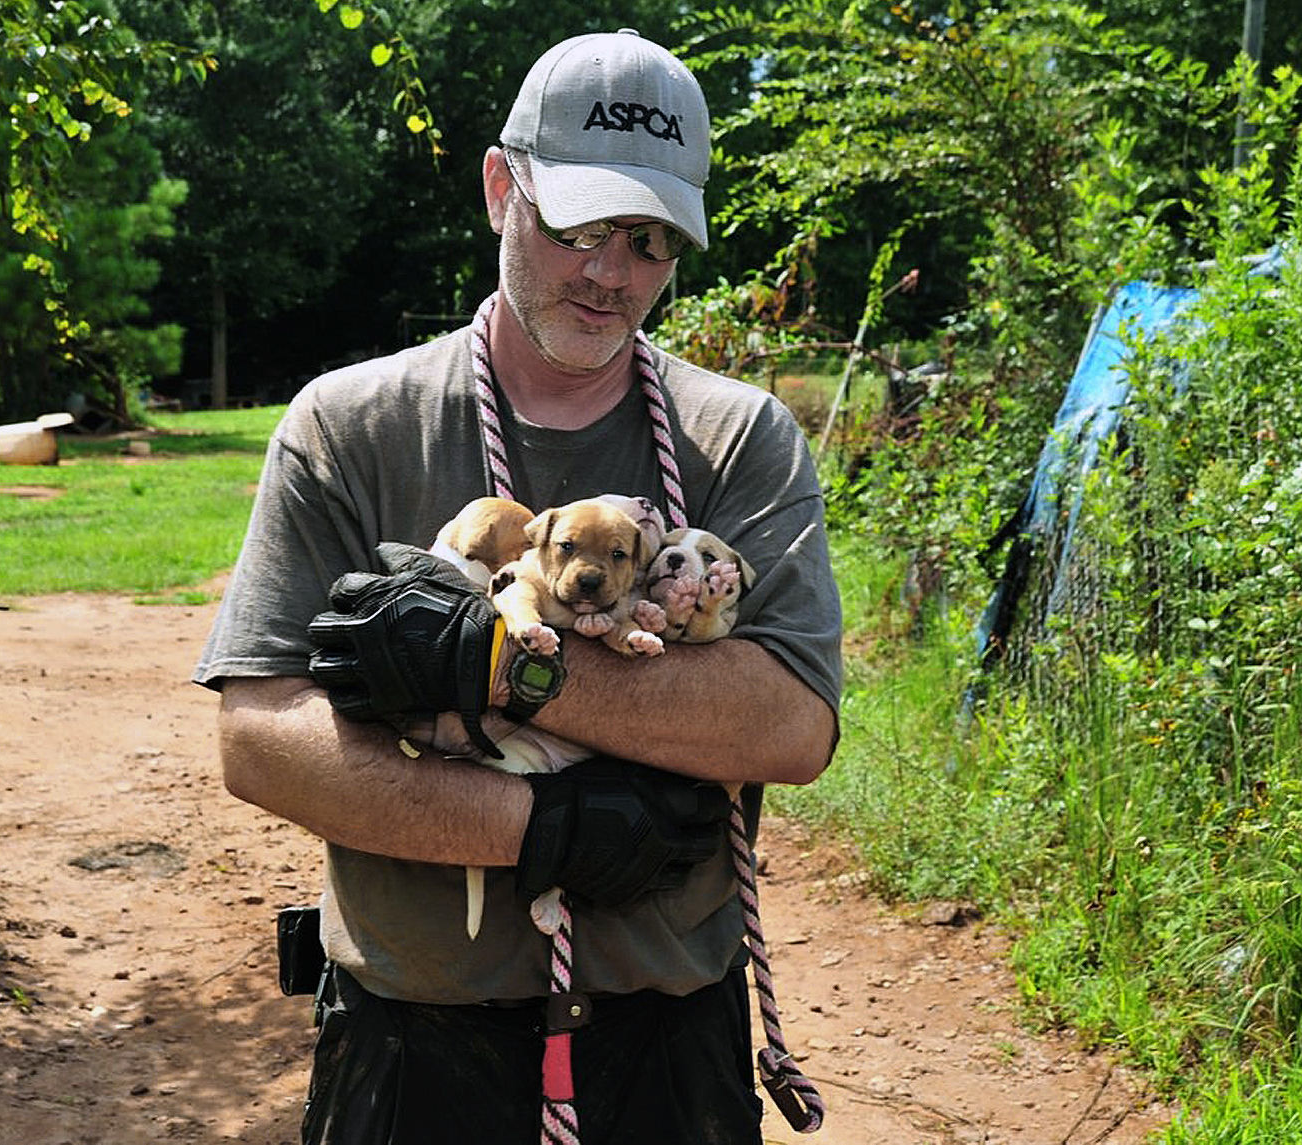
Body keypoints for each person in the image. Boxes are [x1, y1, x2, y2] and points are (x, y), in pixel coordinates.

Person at [196, 29, 842, 1145]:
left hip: (664, 1023)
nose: (609, 271)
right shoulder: (351, 428)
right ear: (503, 188)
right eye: (578, 226)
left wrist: (501, 662)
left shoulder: (740, 438)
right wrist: (533, 826)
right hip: (415, 1016)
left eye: (648, 241)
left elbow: (790, 723)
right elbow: (259, 736)